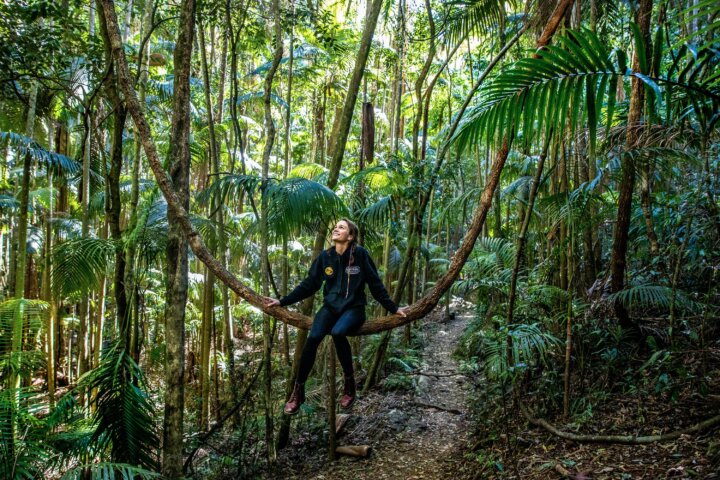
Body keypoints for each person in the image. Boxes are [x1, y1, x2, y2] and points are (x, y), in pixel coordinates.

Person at [264, 218, 408, 415]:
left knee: (338, 332)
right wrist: (283, 301)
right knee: (313, 338)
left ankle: (349, 384)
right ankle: (298, 391)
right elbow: (310, 285)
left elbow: (375, 285)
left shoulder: (361, 255)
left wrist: (393, 308)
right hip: (330, 308)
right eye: (335, 227)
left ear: (350, 236)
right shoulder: (325, 257)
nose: (335, 229)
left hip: (354, 309)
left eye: (341, 227)